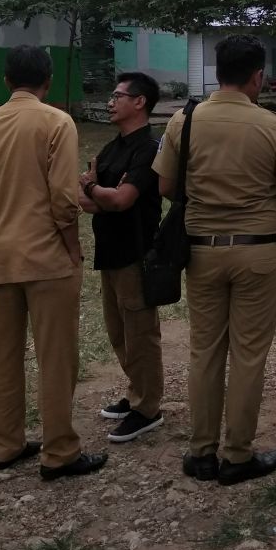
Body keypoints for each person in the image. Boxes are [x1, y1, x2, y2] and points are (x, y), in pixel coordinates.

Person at [153, 34, 276, 486]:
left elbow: (164, 187)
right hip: (257, 252)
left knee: (205, 351)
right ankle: (237, 454)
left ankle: (200, 451)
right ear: (258, 76)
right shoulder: (274, 126)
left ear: (216, 73)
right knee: (248, 355)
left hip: (201, 251)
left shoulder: (184, 121)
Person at [0, 45, 107, 480]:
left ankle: (5, 445)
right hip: (47, 258)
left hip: (0, 258)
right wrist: (72, 250)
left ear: (7, 80)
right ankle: (60, 450)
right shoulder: (56, 122)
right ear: (47, 81)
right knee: (56, 356)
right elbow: (64, 200)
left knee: (3, 356)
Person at [78, 72, 164, 444]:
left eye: (118, 96)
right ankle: (135, 393)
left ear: (139, 102)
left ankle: (148, 408)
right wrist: (99, 193)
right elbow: (88, 203)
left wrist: (94, 188)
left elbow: (122, 199)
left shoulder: (148, 148)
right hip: (109, 251)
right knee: (118, 331)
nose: (111, 102)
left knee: (140, 333)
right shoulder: (114, 148)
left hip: (136, 251)